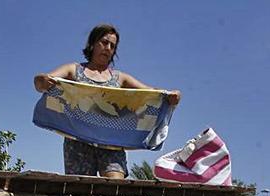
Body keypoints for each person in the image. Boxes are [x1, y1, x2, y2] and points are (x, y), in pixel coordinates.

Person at [34, 24, 181, 179]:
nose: (108, 48)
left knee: (115, 187)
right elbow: (43, 82)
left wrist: (170, 96)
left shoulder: (120, 78)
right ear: (92, 44)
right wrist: (41, 80)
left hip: (112, 143)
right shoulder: (73, 70)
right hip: (77, 141)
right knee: (80, 190)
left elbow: (151, 94)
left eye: (112, 45)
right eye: (104, 42)